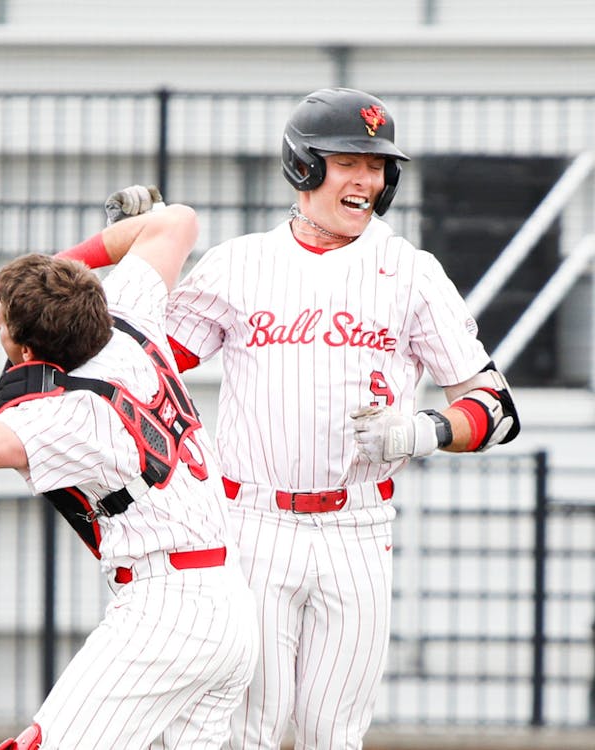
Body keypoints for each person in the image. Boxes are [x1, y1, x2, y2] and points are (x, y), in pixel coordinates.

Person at [163, 88, 521, 750]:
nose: (367, 180)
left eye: (378, 165)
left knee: (335, 735)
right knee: (247, 731)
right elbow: (148, 366)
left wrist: (425, 431)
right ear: (304, 166)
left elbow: (495, 409)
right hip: (253, 526)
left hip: (358, 528)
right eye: (349, 161)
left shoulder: (410, 272)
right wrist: (135, 257)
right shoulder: (239, 264)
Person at [0, 186, 259, 750]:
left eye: (3, 324)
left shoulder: (72, 412)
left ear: (30, 347)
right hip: (228, 603)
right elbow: (177, 221)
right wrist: (64, 272)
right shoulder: (126, 316)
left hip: (168, 609)